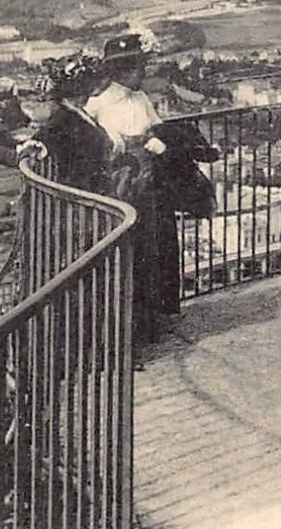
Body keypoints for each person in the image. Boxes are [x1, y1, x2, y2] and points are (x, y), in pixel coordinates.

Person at [86, 32, 180, 342]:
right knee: (127, 257)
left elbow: (156, 129)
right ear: (123, 70)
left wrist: (154, 143)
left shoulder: (141, 99)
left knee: (151, 254)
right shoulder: (98, 104)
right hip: (120, 188)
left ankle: (150, 323)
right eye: (138, 68)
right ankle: (125, 332)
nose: (143, 73)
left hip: (147, 186)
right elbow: (98, 149)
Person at [19, 54, 111, 193]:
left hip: (92, 190)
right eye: (92, 82)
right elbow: (40, 143)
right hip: (78, 194)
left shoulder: (78, 113)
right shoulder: (63, 119)